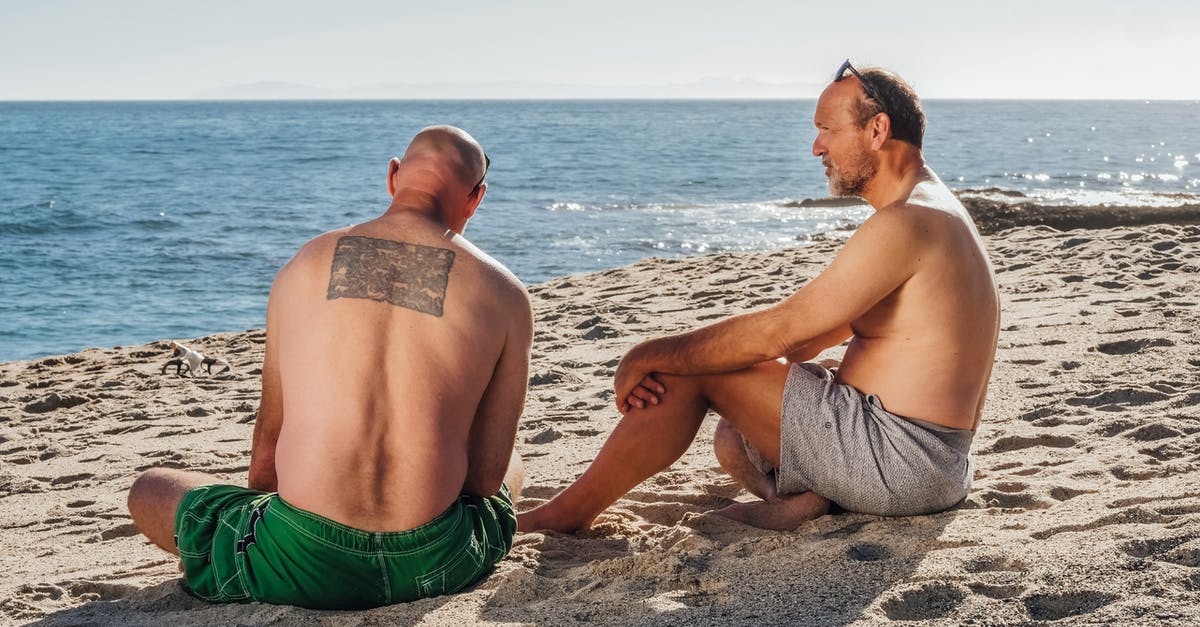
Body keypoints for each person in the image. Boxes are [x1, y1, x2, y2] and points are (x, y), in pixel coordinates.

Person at [518, 61, 999, 533]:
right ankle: (789, 499)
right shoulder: (934, 210)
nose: (816, 147)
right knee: (733, 431)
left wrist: (650, 354)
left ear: (877, 130)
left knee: (685, 372)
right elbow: (804, 340)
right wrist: (748, 374)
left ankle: (566, 515)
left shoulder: (907, 222)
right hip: (936, 464)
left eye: (827, 129)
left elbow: (780, 331)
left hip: (899, 460)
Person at [127, 126, 533, 609]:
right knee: (512, 462)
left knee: (149, 489)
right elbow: (485, 480)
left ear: (393, 175)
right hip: (435, 562)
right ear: (476, 198)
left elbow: (264, 463)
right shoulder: (505, 294)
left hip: (301, 561)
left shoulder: (303, 266)